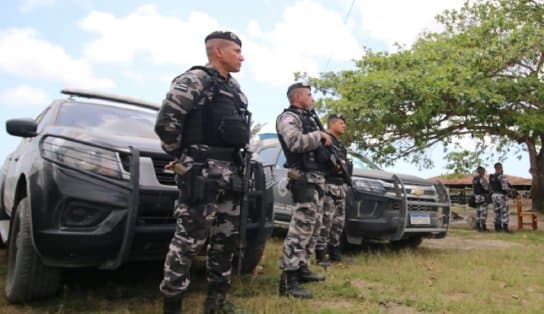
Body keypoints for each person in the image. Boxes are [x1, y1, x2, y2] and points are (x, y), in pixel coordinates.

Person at [154, 30, 249, 314]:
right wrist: (184, 157)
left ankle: (216, 302)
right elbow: (166, 123)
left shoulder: (235, 90)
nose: (242, 57)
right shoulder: (194, 80)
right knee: (188, 240)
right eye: (236, 51)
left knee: (226, 239)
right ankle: (172, 305)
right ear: (218, 52)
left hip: (231, 173)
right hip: (201, 173)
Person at [276, 82, 333, 299]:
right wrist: (319, 135)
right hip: (303, 180)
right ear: (298, 96)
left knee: (314, 227)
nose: (313, 99)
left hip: (317, 180)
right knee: (300, 229)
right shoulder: (289, 118)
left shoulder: (309, 118)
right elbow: (294, 142)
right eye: (309, 95)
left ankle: (302, 267)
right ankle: (288, 280)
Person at [315, 114, 350, 264]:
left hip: (340, 187)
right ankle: (320, 254)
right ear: (332, 124)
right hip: (328, 185)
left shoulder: (340, 146)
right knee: (326, 221)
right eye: (341, 123)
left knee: (338, 222)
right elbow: (321, 160)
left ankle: (335, 252)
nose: (344, 126)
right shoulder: (324, 140)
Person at [489, 162, 512, 232]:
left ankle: (497, 227)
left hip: (494, 195)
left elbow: (490, 187)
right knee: (504, 212)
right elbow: (505, 188)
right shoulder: (502, 176)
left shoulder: (491, 176)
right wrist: (511, 190)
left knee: (496, 212)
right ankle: (505, 228)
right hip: (501, 196)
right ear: (500, 168)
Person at [472, 166, 490, 232]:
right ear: (481, 171)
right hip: (482, 197)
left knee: (478, 213)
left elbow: (473, 189)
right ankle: (483, 227)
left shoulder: (474, 179)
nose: (485, 172)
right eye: (484, 171)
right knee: (483, 213)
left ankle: (478, 227)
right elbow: (486, 188)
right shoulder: (482, 179)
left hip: (476, 198)